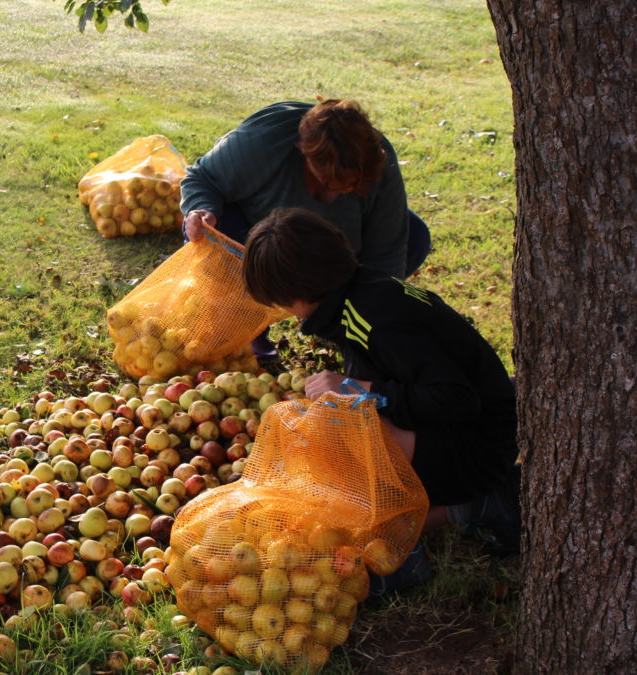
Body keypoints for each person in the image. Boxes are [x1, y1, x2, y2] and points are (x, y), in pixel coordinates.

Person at [242, 207, 520, 593]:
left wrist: (359, 389)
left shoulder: (376, 318)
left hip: (480, 446)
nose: (286, 314)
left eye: (282, 303)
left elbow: (456, 399)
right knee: (339, 418)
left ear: (301, 292)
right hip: (468, 434)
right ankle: (477, 504)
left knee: (339, 430)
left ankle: (400, 559)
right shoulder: (361, 292)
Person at [180, 99, 430, 364]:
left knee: (414, 236)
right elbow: (201, 178)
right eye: (325, 181)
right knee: (215, 228)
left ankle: (337, 317)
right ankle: (246, 327)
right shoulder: (265, 141)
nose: (330, 196)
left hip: (325, 250)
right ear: (304, 154)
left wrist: (377, 321)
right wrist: (202, 209)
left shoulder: (379, 162)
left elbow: (387, 251)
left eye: (348, 188)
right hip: (255, 237)